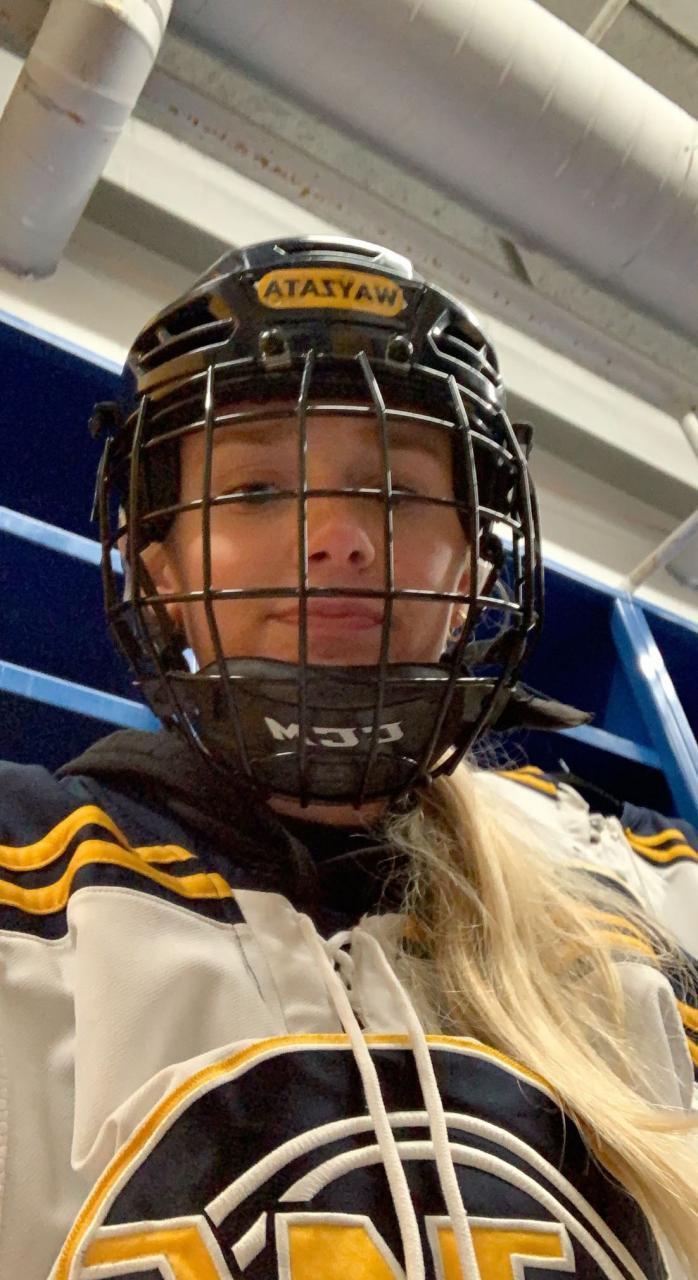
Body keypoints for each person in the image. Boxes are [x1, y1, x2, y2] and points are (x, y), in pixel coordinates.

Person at [1, 237, 696, 1280]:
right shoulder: (25, 879)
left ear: (473, 571)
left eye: (398, 493)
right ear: (163, 573)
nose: (338, 537)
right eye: (251, 491)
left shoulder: (646, 910)